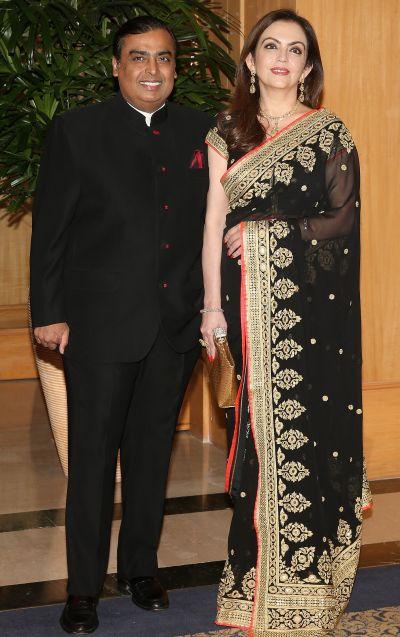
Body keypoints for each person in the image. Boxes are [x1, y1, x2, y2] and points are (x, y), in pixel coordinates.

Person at [30, 16, 212, 634]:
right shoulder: (77, 132)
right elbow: (50, 231)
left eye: (163, 58)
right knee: (90, 461)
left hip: (173, 327)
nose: (152, 69)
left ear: (174, 67)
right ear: (116, 65)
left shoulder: (201, 131)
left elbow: (212, 224)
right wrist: (47, 312)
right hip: (98, 327)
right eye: (139, 57)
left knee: (150, 456)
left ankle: (141, 569)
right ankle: (82, 590)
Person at [201, 9, 372, 636]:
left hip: (312, 324)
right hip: (248, 315)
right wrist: (211, 306)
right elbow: (213, 227)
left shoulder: (329, 135)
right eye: (269, 46)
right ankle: (253, 584)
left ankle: (306, 587)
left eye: (295, 49)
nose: (281, 58)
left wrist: (270, 233)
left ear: (308, 64)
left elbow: (342, 224)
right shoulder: (227, 131)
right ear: (249, 60)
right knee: (254, 442)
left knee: (308, 436)